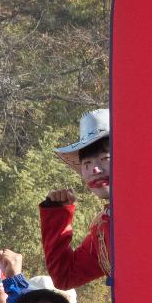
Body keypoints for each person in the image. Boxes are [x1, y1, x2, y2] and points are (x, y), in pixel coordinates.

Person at [40, 109, 113, 291]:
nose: (95, 170)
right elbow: (65, 276)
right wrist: (57, 215)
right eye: (86, 164)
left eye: (105, 159)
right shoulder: (102, 230)